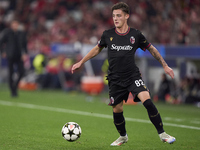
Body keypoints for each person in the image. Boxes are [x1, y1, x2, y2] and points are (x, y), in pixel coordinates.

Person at [71, 2, 176, 146]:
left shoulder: (136, 34)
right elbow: (97, 49)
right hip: (114, 79)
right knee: (117, 110)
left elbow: (152, 49)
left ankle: (163, 134)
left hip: (132, 76)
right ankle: (123, 136)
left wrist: (165, 65)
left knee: (148, 101)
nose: (115, 18)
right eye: (114, 16)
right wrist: (81, 62)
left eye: (119, 15)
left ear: (127, 16)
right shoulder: (107, 34)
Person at [0, 20, 28, 97]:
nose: (15, 26)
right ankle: (13, 91)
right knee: (11, 73)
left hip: (19, 55)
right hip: (10, 55)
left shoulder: (21, 34)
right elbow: (1, 42)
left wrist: (25, 53)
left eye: (16, 24)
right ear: (11, 25)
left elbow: (25, 44)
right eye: (14, 24)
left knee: (22, 72)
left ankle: (14, 86)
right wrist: (3, 51)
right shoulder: (7, 33)